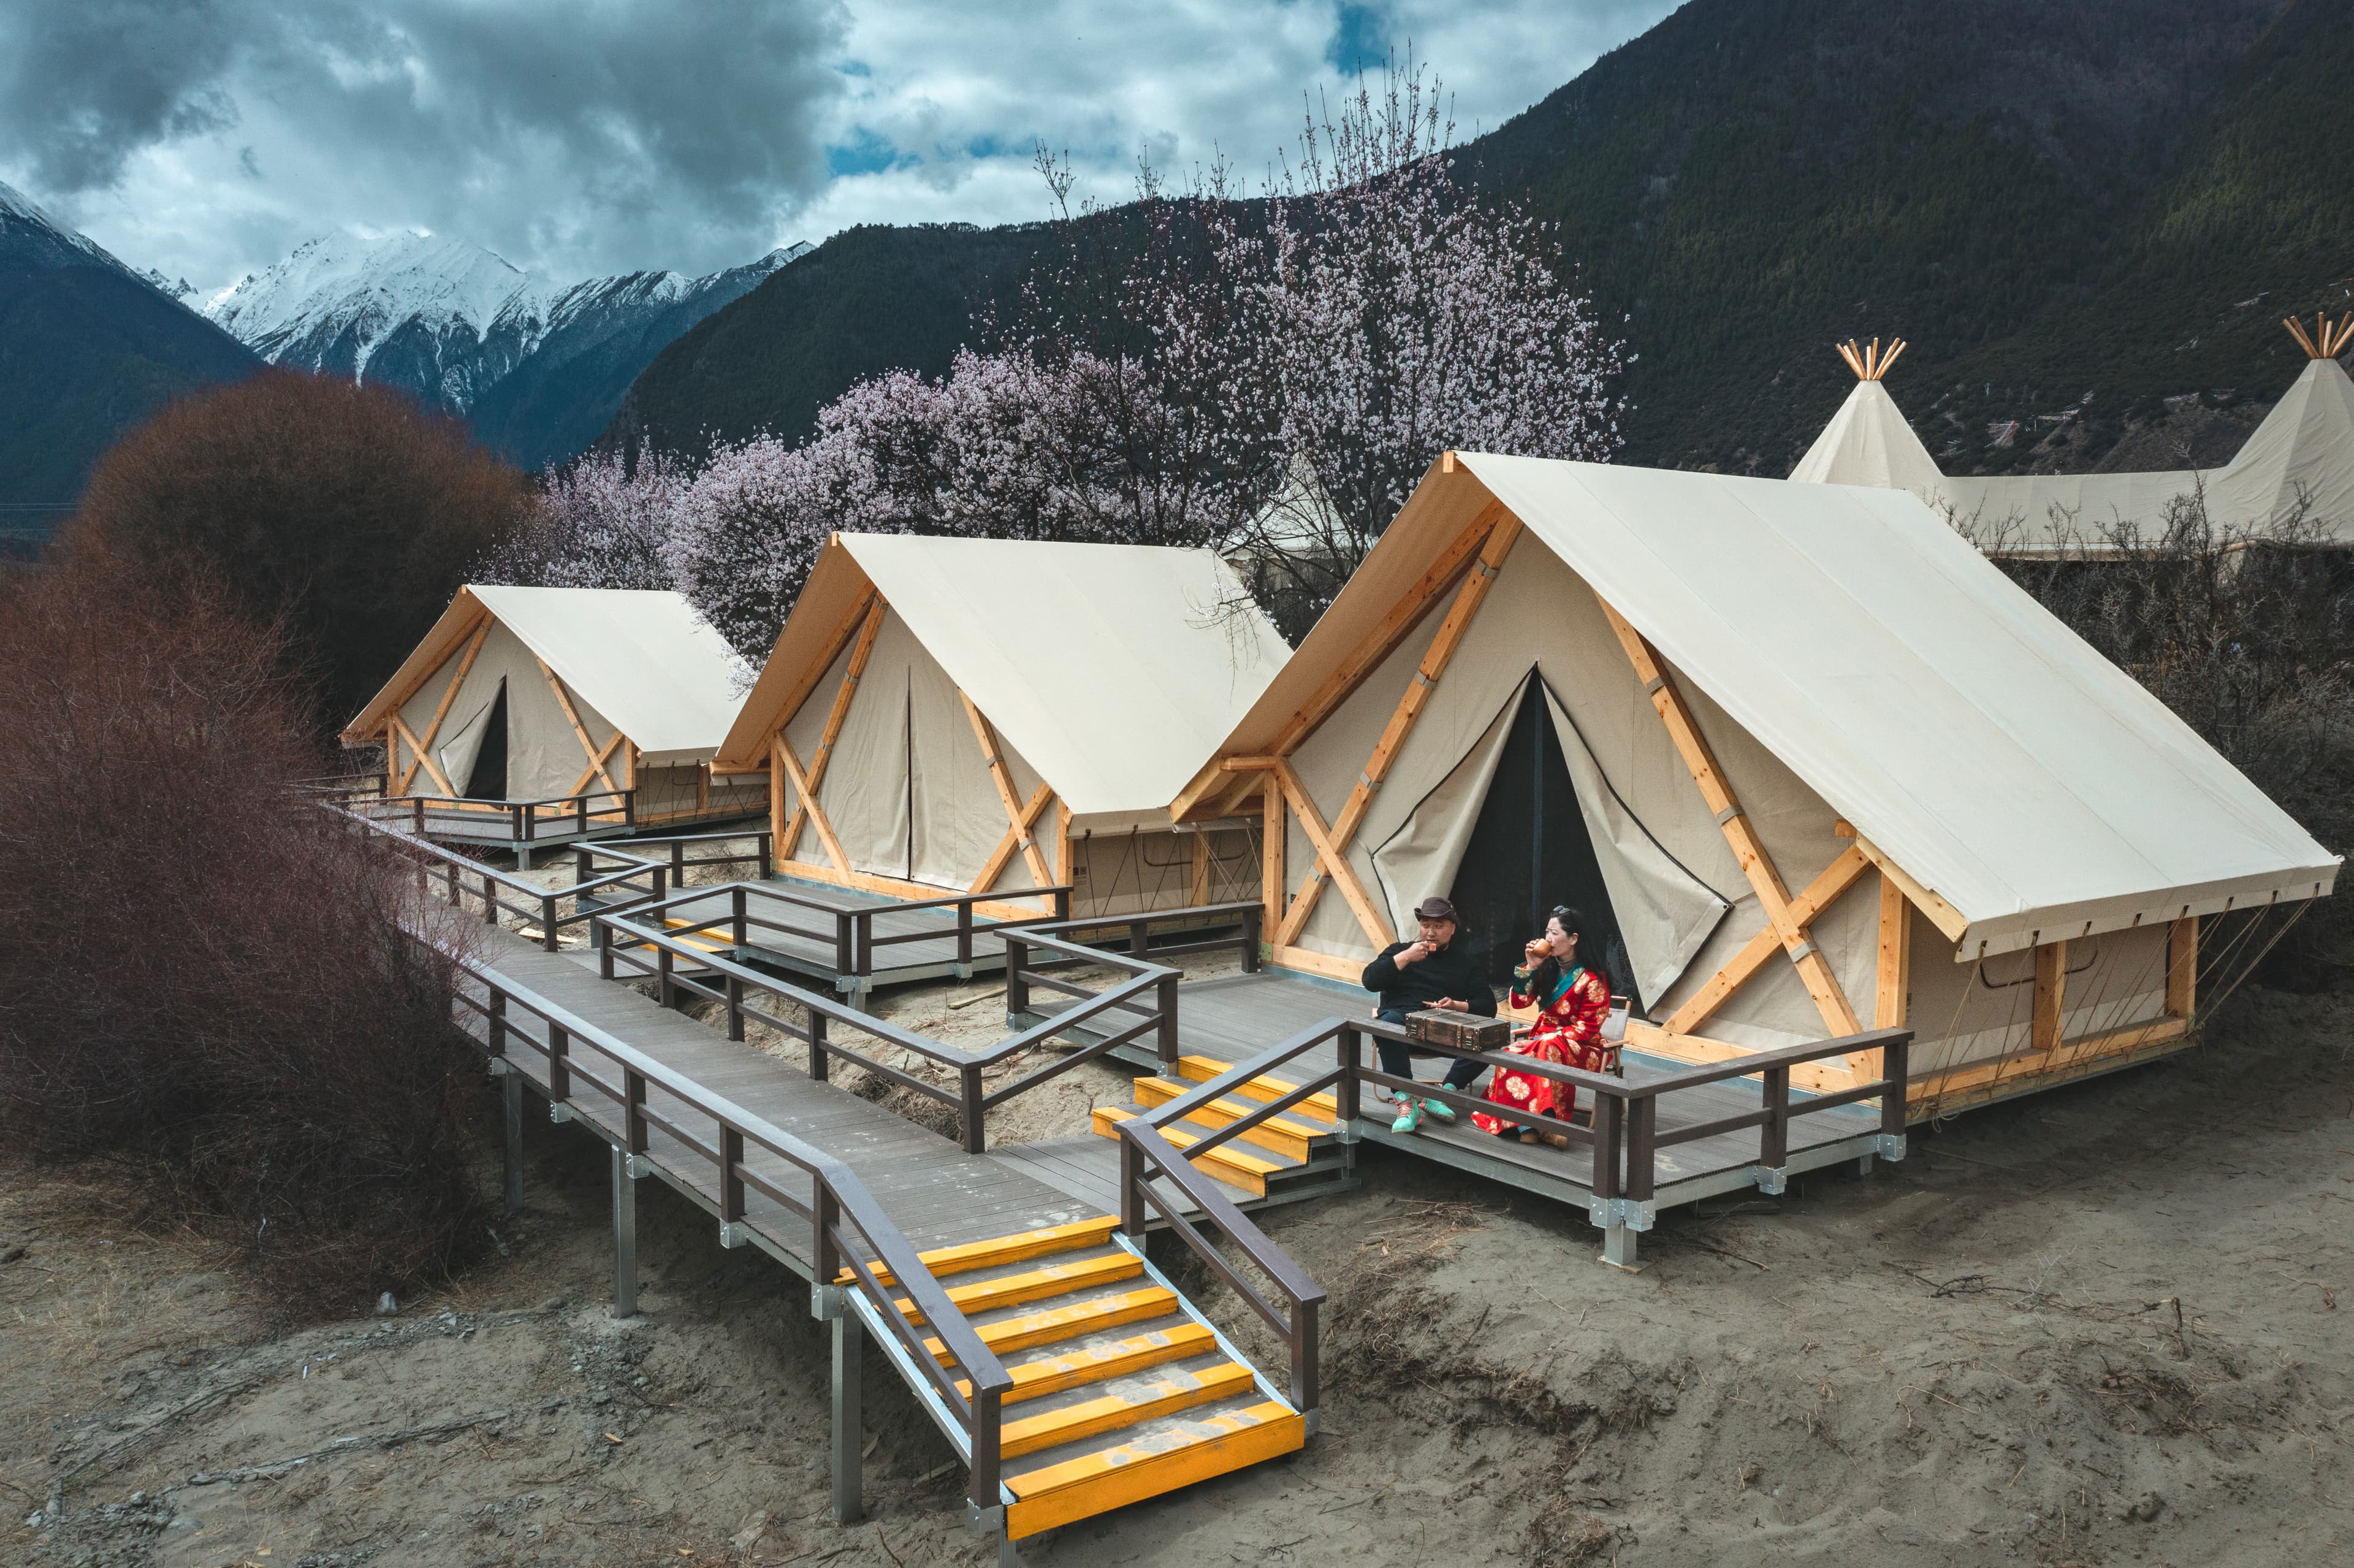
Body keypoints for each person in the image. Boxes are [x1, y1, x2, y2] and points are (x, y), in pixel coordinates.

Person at [1472, 905, 1613, 1148]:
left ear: (1574, 939)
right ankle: (1528, 1125)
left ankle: (1550, 1123)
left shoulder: (1592, 979)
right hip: (1544, 1040)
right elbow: (1520, 1002)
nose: (1548, 939)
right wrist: (1532, 967)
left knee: (1546, 1048)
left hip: (1583, 1046)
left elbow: (1588, 1028)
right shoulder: (1546, 968)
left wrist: (1544, 1039)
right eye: (1547, 932)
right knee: (1512, 1052)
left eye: (1555, 934)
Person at [1360, 896, 1496, 1134]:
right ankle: (1405, 1100)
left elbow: (1488, 1006)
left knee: (1491, 1036)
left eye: (1438, 926)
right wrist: (1405, 958)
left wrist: (1456, 1005)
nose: (1430, 932)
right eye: (1425, 925)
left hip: (1446, 1028)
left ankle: (1443, 1092)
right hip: (1402, 1024)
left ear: (1453, 929)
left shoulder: (1465, 963)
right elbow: (1370, 981)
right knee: (1387, 1024)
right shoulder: (1400, 951)